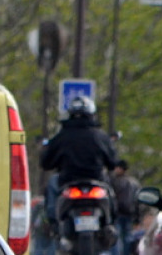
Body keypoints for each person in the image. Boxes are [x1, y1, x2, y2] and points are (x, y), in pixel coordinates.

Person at [40, 96, 119, 235]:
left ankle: (52, 222)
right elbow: (113, 163)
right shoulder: (100, 136)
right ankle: (111, 222)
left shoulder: (62, 136)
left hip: (68, 180)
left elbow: (46, 163)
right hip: (97, 180)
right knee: (110, 191)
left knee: (52, 184)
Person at [110, 160, 139, 255]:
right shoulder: (134, 183)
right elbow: (137, 201)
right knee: (127, 238)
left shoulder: (114, 181)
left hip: (117, 213)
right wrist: (137, 217)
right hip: (129, 213)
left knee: (115, 238)